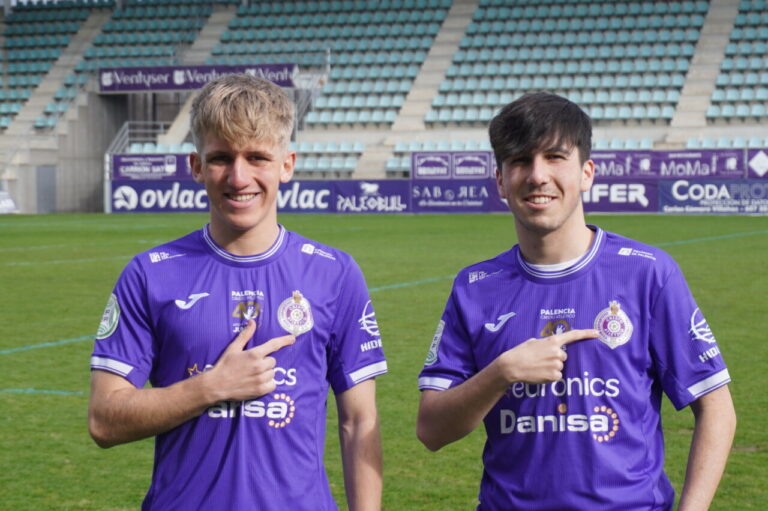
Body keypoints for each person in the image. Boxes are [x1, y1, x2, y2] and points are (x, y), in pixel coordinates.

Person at [416, 92, 736, 510]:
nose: (537, 175)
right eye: (519, 161)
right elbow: (431, 430)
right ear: (499, 181)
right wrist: (501, 373)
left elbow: (716, 408)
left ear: (587, 173)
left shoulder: (648, 274)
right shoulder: (475, 286)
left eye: (554, 157)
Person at [88, 74, 386, 511]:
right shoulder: (148, 275)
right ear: (196, 166)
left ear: (287, 165)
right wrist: (210, 387)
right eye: (221, 158)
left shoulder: (335, 274)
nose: (239, 176)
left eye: (258, 157)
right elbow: (103, 420)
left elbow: (360, 422)